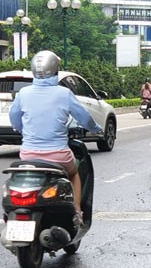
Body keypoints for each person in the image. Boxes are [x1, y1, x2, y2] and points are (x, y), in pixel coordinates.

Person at [9, 51, 103, 226]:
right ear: (55, 70)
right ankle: (76, 211)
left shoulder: (24, 93)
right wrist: (97, 129)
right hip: (58, 156)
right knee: (74, 173)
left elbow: (14, 119)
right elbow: (85, 118)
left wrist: (25, 132)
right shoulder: (64, 94)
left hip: (28, 155)